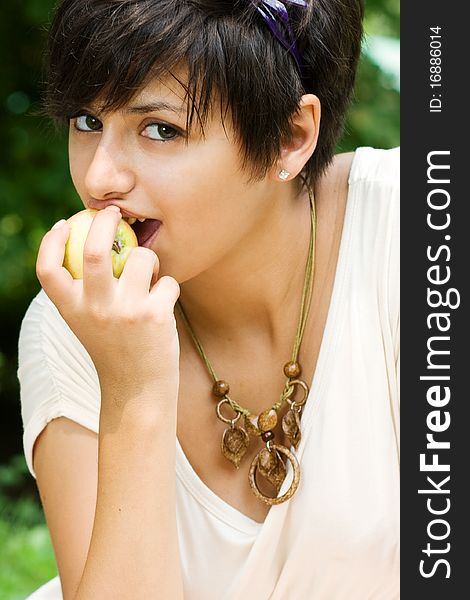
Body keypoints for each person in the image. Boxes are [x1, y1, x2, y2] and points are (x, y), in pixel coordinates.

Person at [17, 0, 399, 598]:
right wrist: (134, 391)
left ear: (289, 136)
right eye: (87, 122)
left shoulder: (413, 232)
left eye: (160, 129)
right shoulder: (77, 320)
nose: (98, 180)